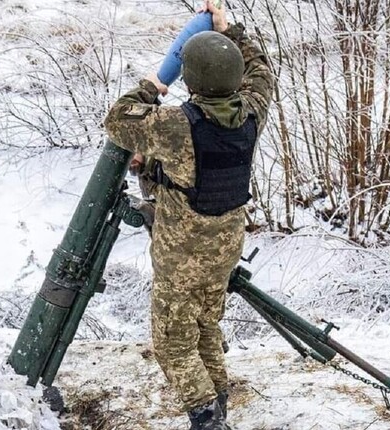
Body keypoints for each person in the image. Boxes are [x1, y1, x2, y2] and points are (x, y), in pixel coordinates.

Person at [103, 1, 274, 428]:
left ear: (191, 79)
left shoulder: (175, 123)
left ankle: (207, 418)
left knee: (172, 345)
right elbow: (262, 69)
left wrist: (153, 86)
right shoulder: (253, 108)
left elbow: (117, 119)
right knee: (205, 331)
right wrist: (229, 31)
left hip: (181, 259)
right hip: (224, 248)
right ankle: (218, 411)